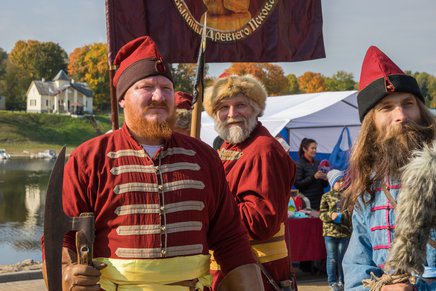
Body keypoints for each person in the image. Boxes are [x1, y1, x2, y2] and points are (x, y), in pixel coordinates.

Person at [41, 36, 265, 291]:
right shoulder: (89, 158)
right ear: (122, 97)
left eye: (166, 88)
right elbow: (61, 239)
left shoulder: (204, 157)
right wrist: (67, 274)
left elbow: (230, 239)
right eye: (146, 87)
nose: (159, 96)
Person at [342, 45, 436, 290]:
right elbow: (356, 273)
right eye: (387, 107)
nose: (401, 115)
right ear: (371, 123)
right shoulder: (369, 191)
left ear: (421, 112)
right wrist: (382, 288)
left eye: (408, 103)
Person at [204, 74, 297, 291]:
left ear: (256, 108)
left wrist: (204, 211)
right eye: (223, 107)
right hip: (232, 268)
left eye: (240, 105)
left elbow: (260, 221)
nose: (231, 114)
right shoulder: (229, 147)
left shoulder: (264, 150)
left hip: (257, 271)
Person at [319, 169, 352, 291]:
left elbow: (351, 214)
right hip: (330, 233)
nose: (342, 183)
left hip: (344, 233)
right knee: (332, 258)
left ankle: (342, 281)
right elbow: (321, 214)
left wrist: (345, 215)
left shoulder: (347, 196)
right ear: (332, 183)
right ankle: (332, 282)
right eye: (338, 181)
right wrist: (330, 215)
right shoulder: (326, 197)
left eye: (343, 180)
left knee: (343, 258)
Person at [294, 138, 329, 211]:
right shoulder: (299, 164)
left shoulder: (318, 163)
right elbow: (298, 184)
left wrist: (325, 179)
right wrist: (314, 177)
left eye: (315, 148)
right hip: (306, 202)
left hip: (320, 201)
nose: (315, 150)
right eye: (312, 148)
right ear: (304, 149)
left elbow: (324, 185)